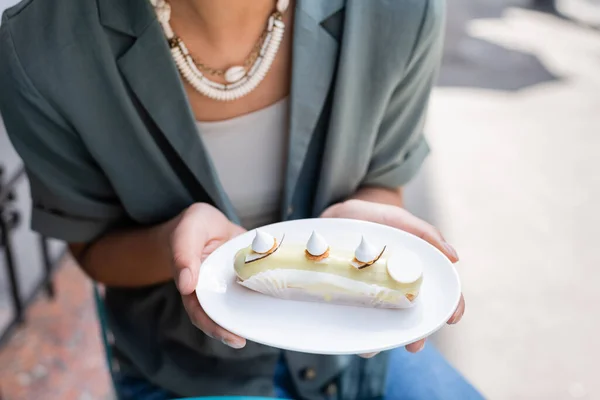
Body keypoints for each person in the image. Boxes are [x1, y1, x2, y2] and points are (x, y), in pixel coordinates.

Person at [0, 0, 481, 398]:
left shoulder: (399, 12)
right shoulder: (39, 49)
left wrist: (367, 228)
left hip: (355, 340)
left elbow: (381, 177)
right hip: (187, 364)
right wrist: (174, 243)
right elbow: (94, 247)